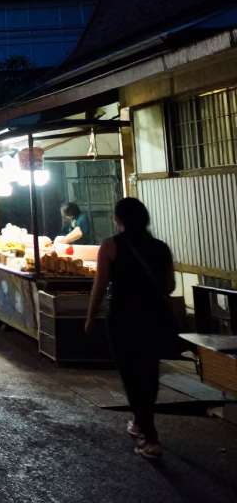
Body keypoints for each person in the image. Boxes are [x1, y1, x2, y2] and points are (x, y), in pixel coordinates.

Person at [85, 197, 176, 460]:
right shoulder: (161, 248)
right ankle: (140, 422)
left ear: (118, 219)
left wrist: (90, 318)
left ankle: (150, 438)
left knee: (130, 375)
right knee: (149, 370)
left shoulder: (111, 246)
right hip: (154, 316)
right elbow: (169, 286)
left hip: (123, 316)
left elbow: (100, 287)